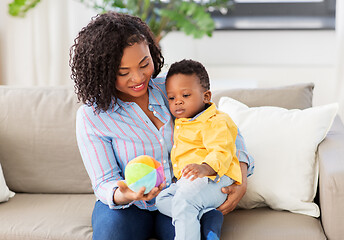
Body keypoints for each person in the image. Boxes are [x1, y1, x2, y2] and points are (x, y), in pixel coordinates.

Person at [70, 11, 254, 240]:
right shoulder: (93, 116)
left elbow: (225, 129)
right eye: (123, 73)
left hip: (180, 197)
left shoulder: (171, 89)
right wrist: (126, 195)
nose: (138, 78)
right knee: (110, 232)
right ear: (103, 73)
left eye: (144, 64)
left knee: (203, 227)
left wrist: (241, 179)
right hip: (130, 209)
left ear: (152, 53)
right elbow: (103, 182)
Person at [155, 59, 244, 240]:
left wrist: (205, 167)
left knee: (184, 201)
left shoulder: (217, 121)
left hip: (215, 178)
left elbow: (222, 151)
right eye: (171, 98)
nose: (177, 102)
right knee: (161, 201)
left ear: (206, 96)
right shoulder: (183, 121)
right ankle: (206, 214)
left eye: (185, 96)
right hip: (188, 182)